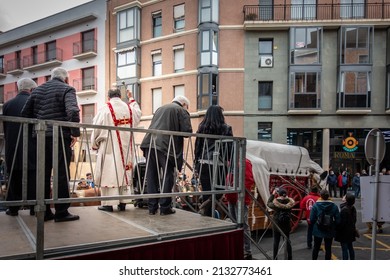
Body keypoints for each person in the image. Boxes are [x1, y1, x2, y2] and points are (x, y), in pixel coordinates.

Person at [21, 67, 80, 222]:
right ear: (65, 79)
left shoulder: (37, 90)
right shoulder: (68, 89)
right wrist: (74, 133)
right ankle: (61, 212)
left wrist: (35, 132)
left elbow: (24, 114)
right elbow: (73, 111)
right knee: (61, 173)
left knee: (43, 174)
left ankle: (44, 211)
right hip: (59, 136)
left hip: (40, 138)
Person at [140, 95, 192, 215]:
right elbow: (187, 132)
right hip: (166, 147)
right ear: (184, 104)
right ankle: (165, 207)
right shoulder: (181, 110)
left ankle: (152, 208)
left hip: (149, 143)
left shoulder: (160, 108)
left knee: (152, 176)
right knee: (168, 176)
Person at [91, 88, 141, 212]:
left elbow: (96, 127)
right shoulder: (129, 108)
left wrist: (94, 143)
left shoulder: (105, 109)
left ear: (109, 97)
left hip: (109, 149)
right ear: (119, 96)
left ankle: (108, 204)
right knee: (123, 173)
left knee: (110, 174)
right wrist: (131, 98)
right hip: (126, 149)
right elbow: (138, 113)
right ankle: (123, 203)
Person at [2, 78, 38, 216]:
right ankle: (34, 208)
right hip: (31, 147)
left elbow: (5, 128)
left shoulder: (7, 105)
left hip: (12, 147)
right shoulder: (34, 103)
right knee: (33, 177)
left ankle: (13, 208)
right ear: (32, 90)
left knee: (13, 177)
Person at [194, 105, 233, 217]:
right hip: (220, 164)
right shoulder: (226, 128)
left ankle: (206, 213)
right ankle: (207, 211)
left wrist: (196, 162)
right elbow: (230, 148)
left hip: (204, 163)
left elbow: (198, 146)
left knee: (207, 191)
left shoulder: (202, 127)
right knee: (218, 191)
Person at [226, 158, 254, 260]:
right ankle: (239, 249)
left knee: (243, 225)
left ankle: (247, 251)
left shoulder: (245, 162)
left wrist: (239, 194)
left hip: (239, 199)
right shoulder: (232, 161)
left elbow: (248, 180)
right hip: (232, 197)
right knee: (235, 225)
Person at [310, 189, 340, 260]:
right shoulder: (334, 206)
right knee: (328, 248)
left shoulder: (315, 206)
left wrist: (316, 224)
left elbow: (311, 219)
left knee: (316, 248)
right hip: (329, 229)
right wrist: (333, 225)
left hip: (318, 230)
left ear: (320, 196)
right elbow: (338, 220)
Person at [267, 188, 295, 260]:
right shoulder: (290, 202)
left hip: (277, 226)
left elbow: (268, 203)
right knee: (287, 241)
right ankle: (290, 257)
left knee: (276, 242)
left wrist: (273, 194)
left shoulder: (276, 203)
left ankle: (275, 258)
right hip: (286, 225)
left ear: (278, 194)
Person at [335, 193, 358, 260]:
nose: (343, 196)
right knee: (350, 247)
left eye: (345, 196)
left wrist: (337, 228)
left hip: (344, 233)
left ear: (346, 200)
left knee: (344, 249)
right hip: (350, 231)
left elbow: (342, 223)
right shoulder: (353, 208)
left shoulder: (344, 210)